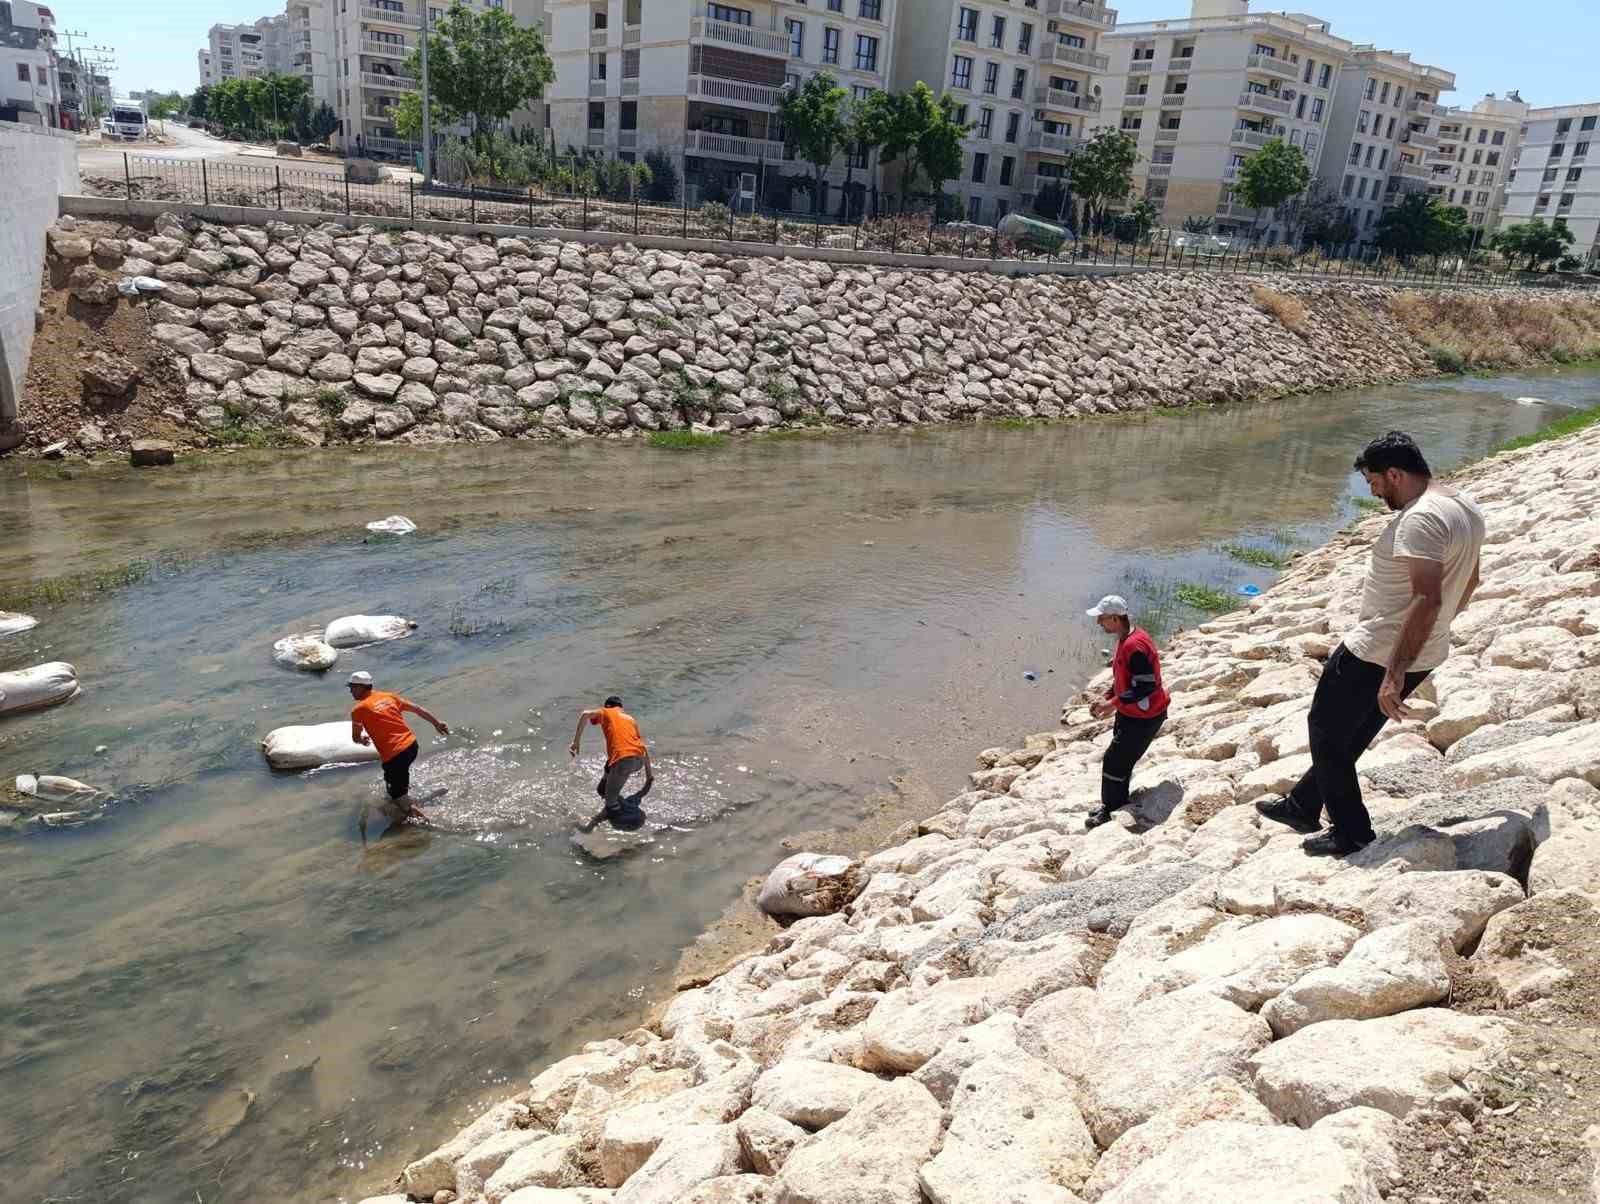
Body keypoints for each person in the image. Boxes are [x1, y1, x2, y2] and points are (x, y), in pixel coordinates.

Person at [1257, 431, 1485, 856]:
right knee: (1355, 731)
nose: (1375, 493)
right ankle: (1303, 803)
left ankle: (1351, 831)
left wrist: (1393, 672)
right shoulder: (1463, 505)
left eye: (1373, 483)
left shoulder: (1420, 519)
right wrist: (1436, 631)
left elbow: (1427, 596)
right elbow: (1470, 579)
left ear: (1394, 474)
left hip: (1378, 648)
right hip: (1427, 648)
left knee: (1325, 729)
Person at [1084, 594, 1171, 830]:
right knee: (1120, 760)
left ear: (1114, 618)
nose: (1098, 622)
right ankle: (1116, 802)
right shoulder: (1126, 637)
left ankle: (1111, 808)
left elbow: (1146, 685)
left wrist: (1112, 704)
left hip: (1145, 716)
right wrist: (1109, 694)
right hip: (1131, 713)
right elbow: (1125, 676)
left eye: (1101, 618)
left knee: (1114, 760)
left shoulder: (1135, 646)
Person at [349, 670, 450, 841]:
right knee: (400, 779)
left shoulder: (358, 710)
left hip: (394, 755)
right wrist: (437, 723)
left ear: (361, 687)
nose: (350, 691)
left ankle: (428, 826)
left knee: (397, 796)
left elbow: (355, 737)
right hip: (411, 746)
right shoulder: (389, 697)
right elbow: (417, 709)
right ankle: (406, 791)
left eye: (352, 687)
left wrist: (362, 740)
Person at [570, 695, 653, 831]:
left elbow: (585, 714)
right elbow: (642, 747)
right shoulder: (630, 719)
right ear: (621, 708)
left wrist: (576, 742)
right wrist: (649, 776)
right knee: (608, 772)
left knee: (610, 803)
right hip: (638, 761)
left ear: (607, 706)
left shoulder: (606, 711)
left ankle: (604, 821)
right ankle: (607, 791)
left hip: (623, 762)